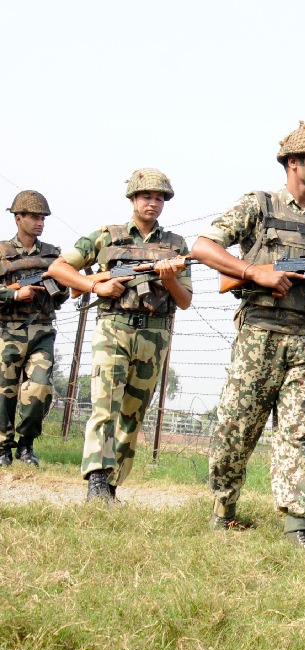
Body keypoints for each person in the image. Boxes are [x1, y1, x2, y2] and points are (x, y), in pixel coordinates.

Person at [192, 122, 305, 551]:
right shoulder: (259, 207)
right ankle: (223, 510)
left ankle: (296, 527)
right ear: (292, 163)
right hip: (260, 335)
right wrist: (253, 271)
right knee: (236, 428)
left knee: (299, 433)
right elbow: (203, 247)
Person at [47, 168, 192, 502]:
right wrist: (95, 284)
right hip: (113, 328)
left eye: (159, 198)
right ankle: (96, 482)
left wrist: (168, 278)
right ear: (132, 199)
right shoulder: (106, 236)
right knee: (105, 406)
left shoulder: (175, 245)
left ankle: (112, 484)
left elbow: (184, 300)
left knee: (133, 414)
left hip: (155, 336)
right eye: (146, 197)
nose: (153, 203)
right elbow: (58, 268)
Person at [0, 190, 69, 467]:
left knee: (39, 389)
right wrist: (15, 295)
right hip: (8, 330)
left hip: (41, 331)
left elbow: (63, 296)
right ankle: (3, 447)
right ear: (18, 219)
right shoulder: (2, 252)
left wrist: (60, 288)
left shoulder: (53, 255)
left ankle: (26, 444)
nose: (40, 222)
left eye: (43, 218)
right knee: (5, 390)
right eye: (34, 217)